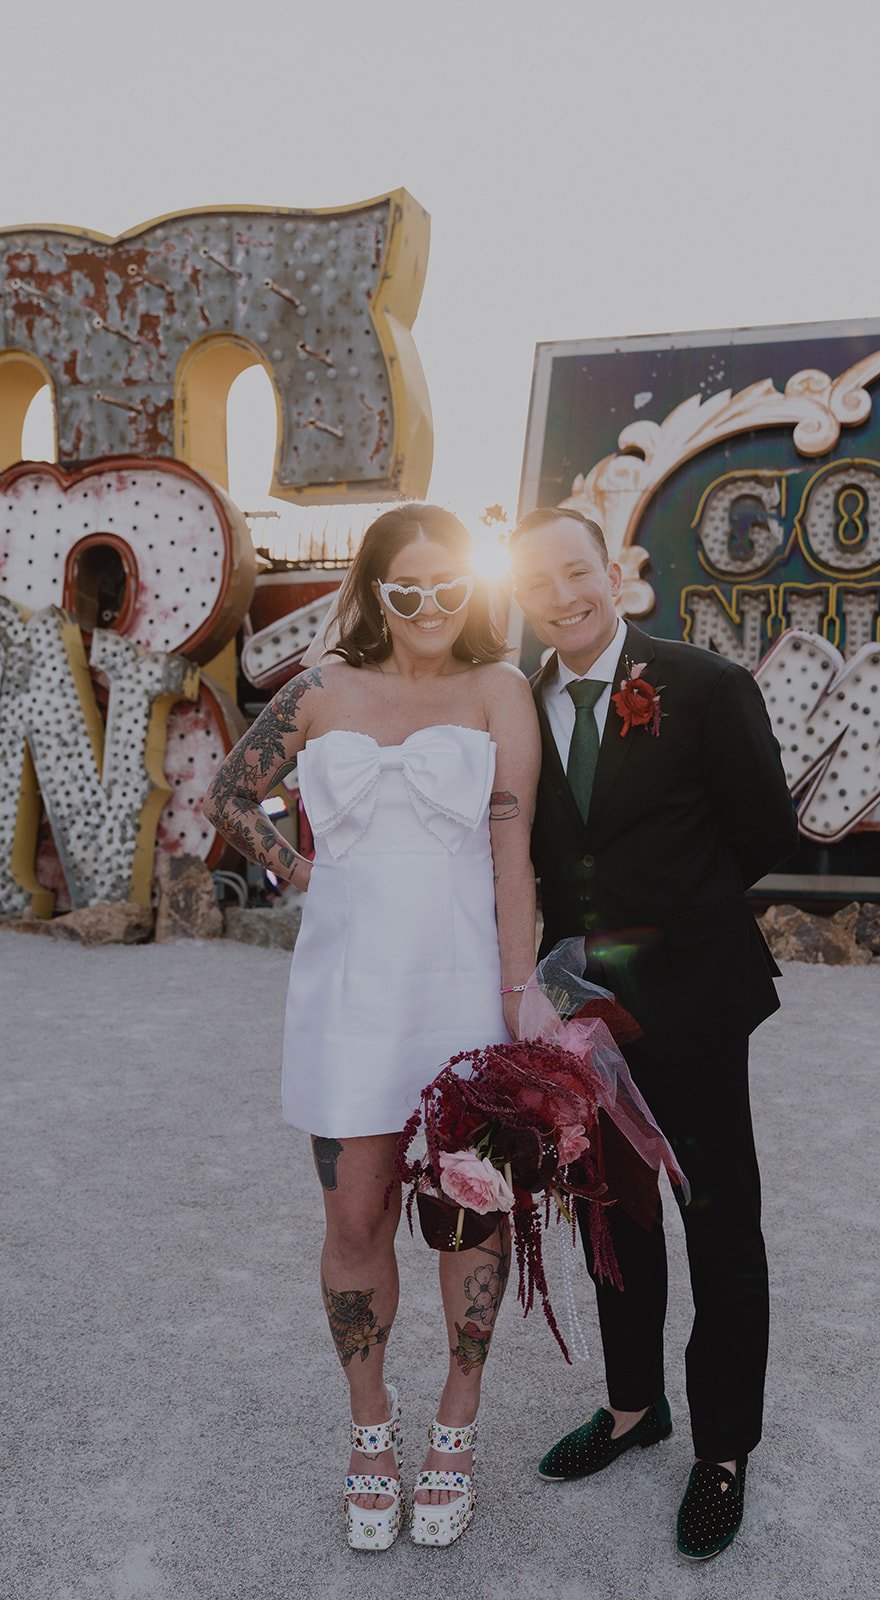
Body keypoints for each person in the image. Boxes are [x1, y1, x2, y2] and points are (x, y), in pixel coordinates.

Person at [205, 503, 539, 1552]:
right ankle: (368, 1430)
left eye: (450, 586)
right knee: (353, 1224)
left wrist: (518, 1000)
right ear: (375, 589)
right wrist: (300, 870)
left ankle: (455, 1422)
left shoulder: (499, 690)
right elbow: (229, 792)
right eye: (407, 588)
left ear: (473, 591)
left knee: (467, 1218)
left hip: (462, 998)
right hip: (346, 999)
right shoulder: (317, 689)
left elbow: (511, 855)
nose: (430, 605)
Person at [509, 506, 798, 1562]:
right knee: (610, 1217)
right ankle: (634, 1409)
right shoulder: (517, 700)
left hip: (693, 998)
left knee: (716, 1219)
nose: (561, 593)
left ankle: (721, 1450)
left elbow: (763, 830)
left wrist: (658, 931)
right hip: (575, 1014)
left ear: (612, 573)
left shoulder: (704, 684)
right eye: (536, 579)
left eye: (575, 570)